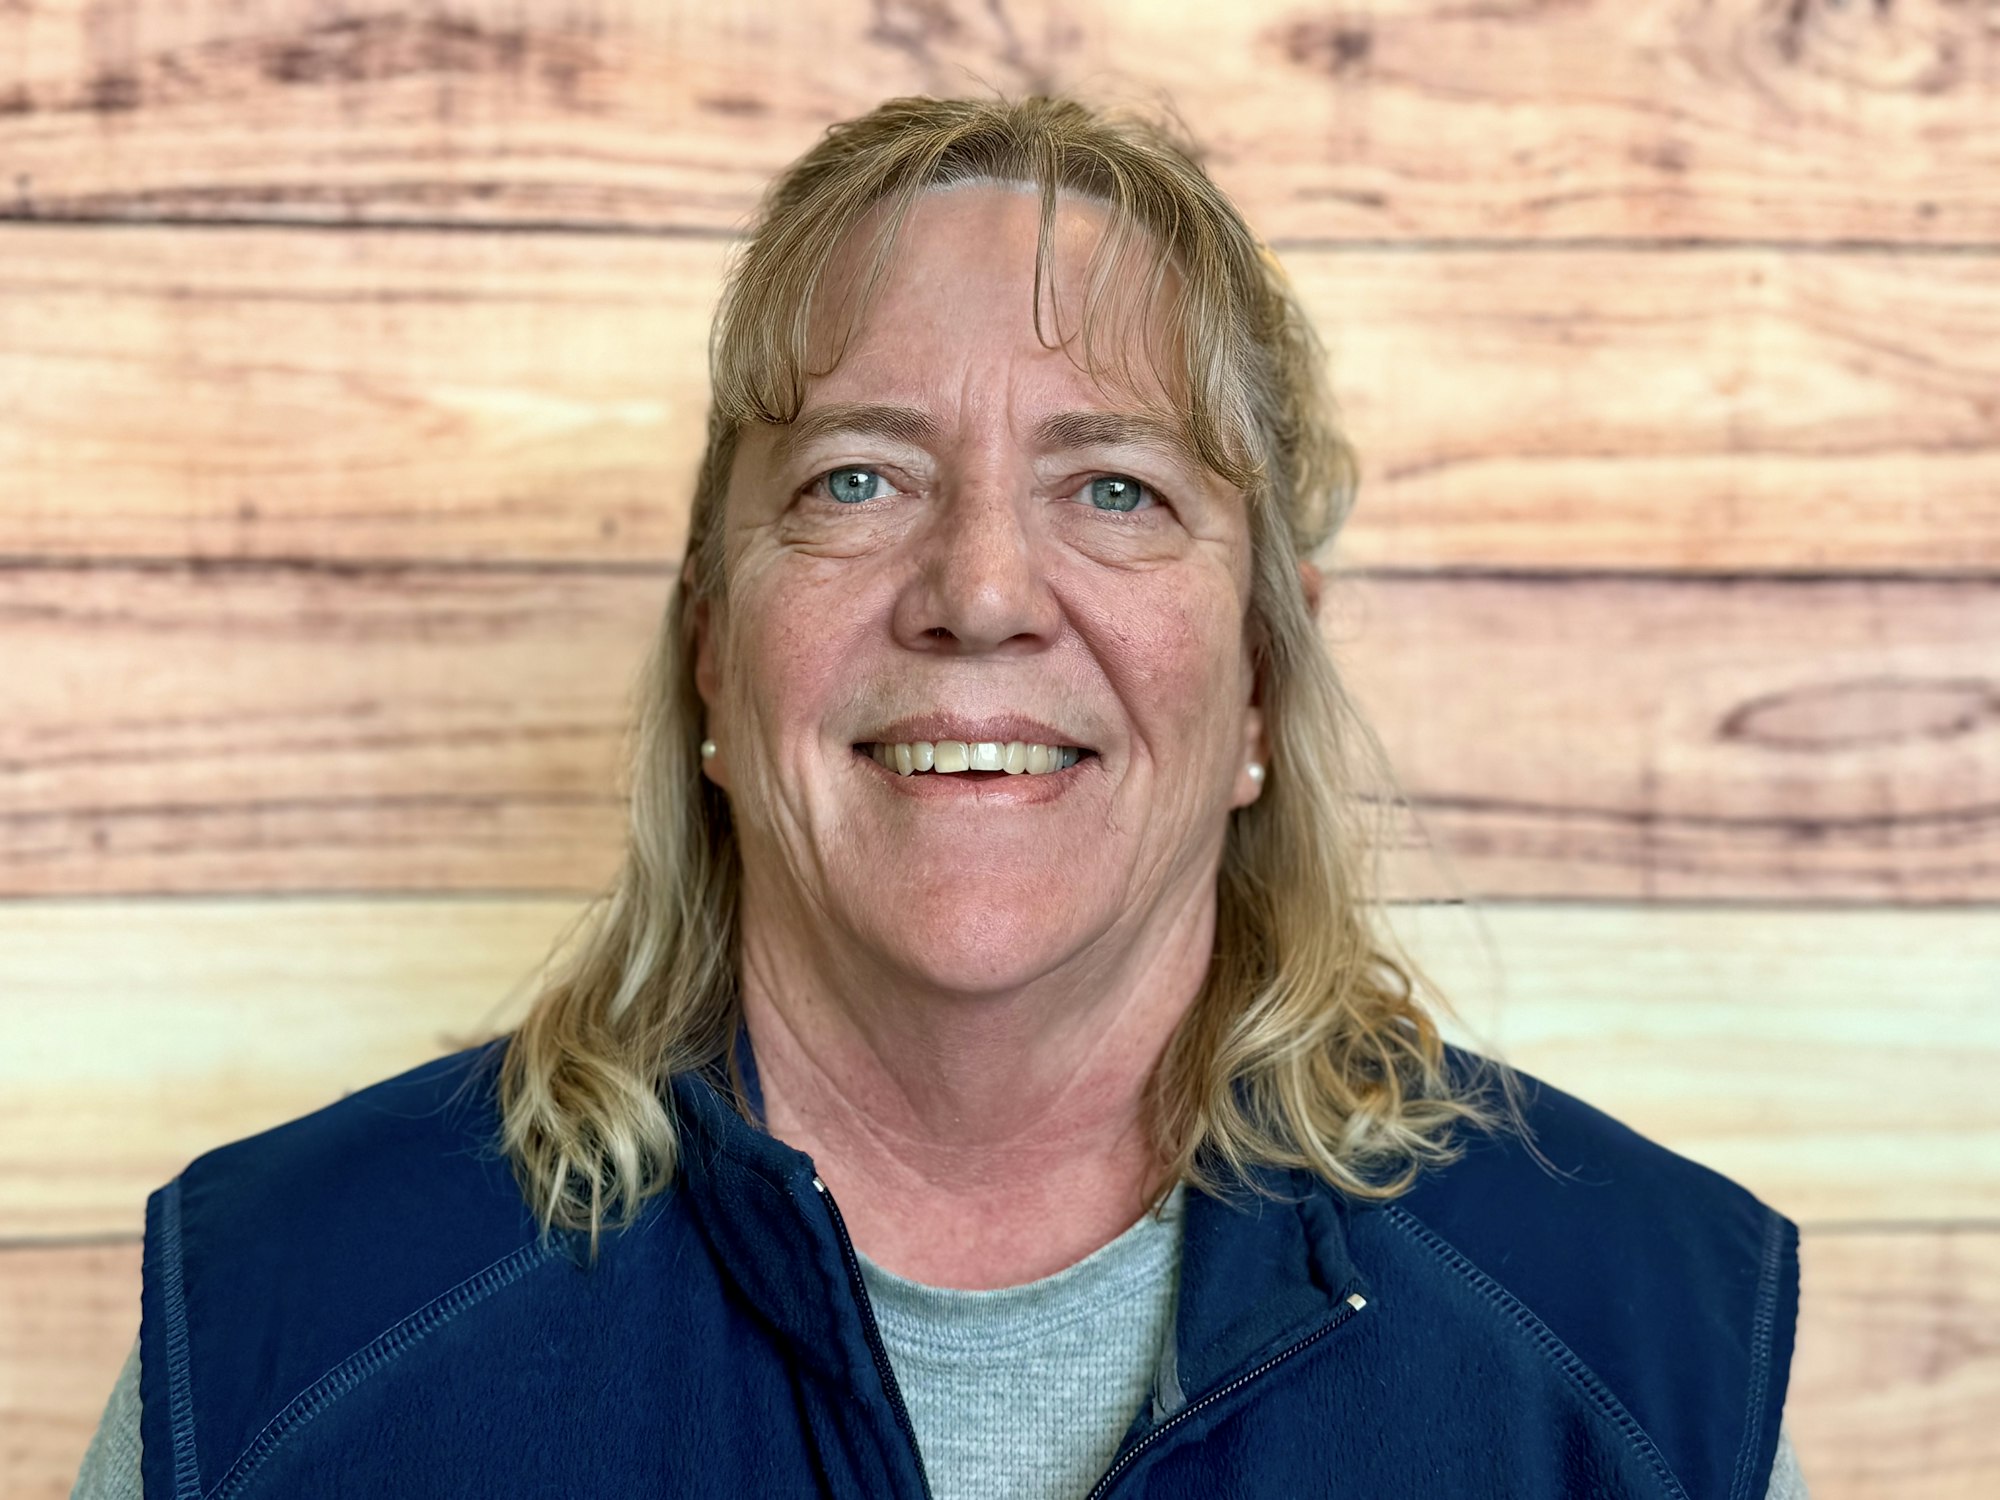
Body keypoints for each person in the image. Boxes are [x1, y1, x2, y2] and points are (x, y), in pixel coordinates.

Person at [75, 93, 1808, 1499]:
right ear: (710, 653)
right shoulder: (281, 1348)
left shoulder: (1639, 1357)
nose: (980, 588)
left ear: (1263, 677)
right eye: (856, 478)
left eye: (1116, 489)